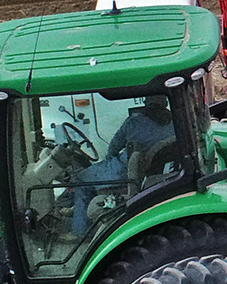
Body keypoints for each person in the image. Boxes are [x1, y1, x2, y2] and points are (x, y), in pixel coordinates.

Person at [71, 94, 179, 237]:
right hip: (153, 174)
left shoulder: (134, 122)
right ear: (165, 102)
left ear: (146, 103)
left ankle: (79, 231)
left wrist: (108, 163)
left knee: (82, 179)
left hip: (125, 171)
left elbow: (113, 150)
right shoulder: (176, 123)